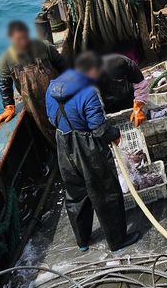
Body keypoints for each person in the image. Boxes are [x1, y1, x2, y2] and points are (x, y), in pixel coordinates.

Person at [45, 52, 140, 252]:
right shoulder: (87, 92)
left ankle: (83, 241)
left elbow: (51, 119)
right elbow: (99, 128)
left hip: (63, 143)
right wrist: (114, 133)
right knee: (106, 193)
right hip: (87, 147)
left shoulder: (51, 89)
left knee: (76, 194)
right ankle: (117, 241)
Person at [0, 20, 68, 147]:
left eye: (24, 37)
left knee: (68, 121)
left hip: (58, 95)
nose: (23, 42)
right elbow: (4, 84)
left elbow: (62, 65)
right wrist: (9, 106)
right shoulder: (5, 60)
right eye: (18, 39)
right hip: (34, 105)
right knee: (47, 131)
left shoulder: (44, 46)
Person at [87, 52, 149, 125]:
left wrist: (138, 106)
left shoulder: (128, 64)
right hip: (107, 102)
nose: (119, 81)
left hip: (127, 94)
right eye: (116, 79)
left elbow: (140, 84)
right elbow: (92, 100)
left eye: (121, 78)